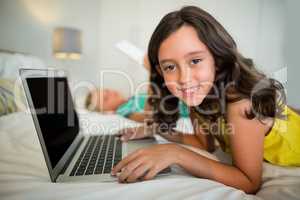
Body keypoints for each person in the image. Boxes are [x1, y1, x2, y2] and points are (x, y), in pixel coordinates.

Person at [111, 6, 300, 193]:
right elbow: (204, 144)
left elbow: (249, 182)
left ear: (217, 59)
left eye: (195, 61)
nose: (184, 79)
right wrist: (157, 129)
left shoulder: (241, 103)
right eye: (170, 67)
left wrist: (175, 153)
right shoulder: (199, 95)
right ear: (160, 71)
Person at [85, 88, 189, 122]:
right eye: (106, 98)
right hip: (182, 109)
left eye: (107, 91)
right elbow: (146, 118)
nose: (111, 93)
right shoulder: (123, 111)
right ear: (106, 112)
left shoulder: (132, 98)